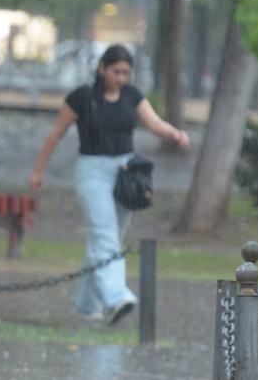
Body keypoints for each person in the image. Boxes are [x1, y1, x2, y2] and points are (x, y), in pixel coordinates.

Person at [28, 44, 189, 325]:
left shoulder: (132, 96)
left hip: (126, 173)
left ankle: (86, 304)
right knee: (105, 237)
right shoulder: (81, 97)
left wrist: (174, 134)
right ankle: (117, 298)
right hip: (92, 171)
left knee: (106, 240)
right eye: (117, 71)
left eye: (126, 72)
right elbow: (55, 134)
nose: (122, 78)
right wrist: (38, 171)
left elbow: (153, 123)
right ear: (102, 68)